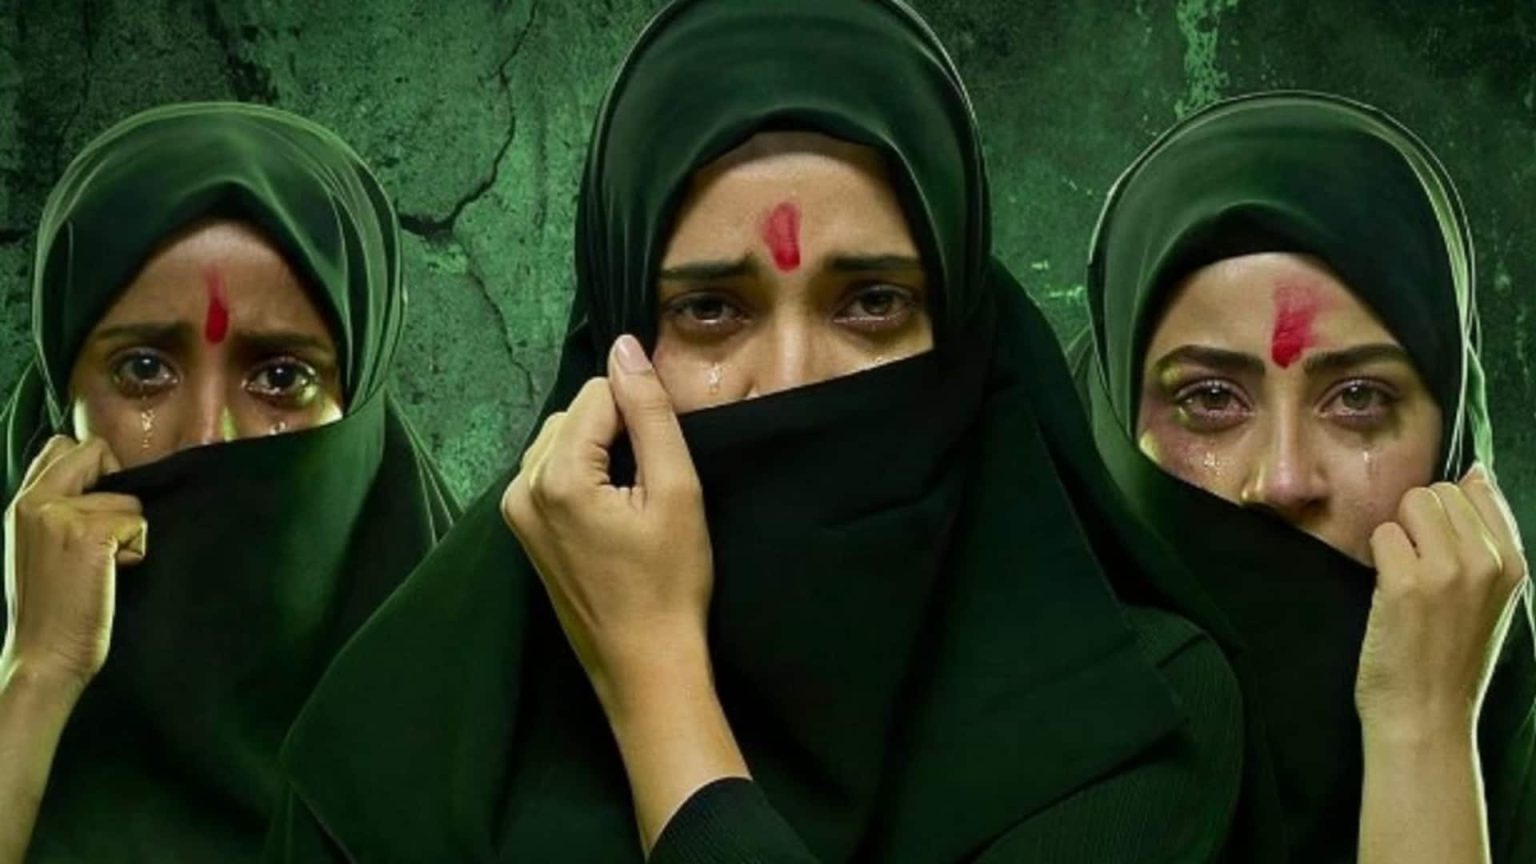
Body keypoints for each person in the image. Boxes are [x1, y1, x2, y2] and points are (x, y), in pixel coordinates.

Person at [270, 1, 1244, 861]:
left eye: (871, 302)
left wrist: (656, 686)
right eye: (710, 310)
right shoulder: (402, 753)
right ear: (614, 347)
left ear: (960, 332)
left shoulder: (1140, 723)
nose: (792, 380)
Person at [1074, 91, 1534, 863]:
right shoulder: (981, 760)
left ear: (1452, 434)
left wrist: (1424, 726)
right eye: (1210, 398)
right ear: (1114, 426)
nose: (1284, 481)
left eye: (1357, 398)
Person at [0, 102, 457, 863]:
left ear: (358, 402)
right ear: (62, 398)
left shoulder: (489, 702)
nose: (210, 437)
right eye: (144, 370)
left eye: (281, 378)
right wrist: (36, 675)